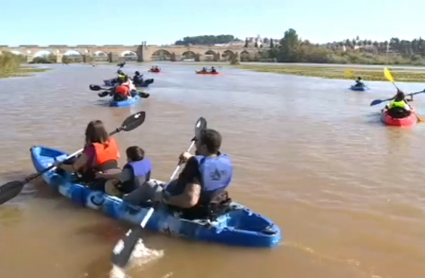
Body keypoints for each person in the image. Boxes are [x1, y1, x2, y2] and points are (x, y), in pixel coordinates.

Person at [124, 128, 233, 220]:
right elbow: (207, 168)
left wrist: (165, 199)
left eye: (197, 142)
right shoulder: (224, 160)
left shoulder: (195, 164)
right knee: (161, 183)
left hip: (188, 210)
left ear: (204, 147)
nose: (195, 144)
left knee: (149, 185)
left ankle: (123, 203)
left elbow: (190, 200)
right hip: (212, 204)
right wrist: (190, 158)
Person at [58, 120, 121, 190]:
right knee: (79, 158)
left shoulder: (91, 150)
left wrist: (60, 165)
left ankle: (59, 173)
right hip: (112, 172)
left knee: (71, 160)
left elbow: (74, 168)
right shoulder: (111, 143)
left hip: (96, 177)